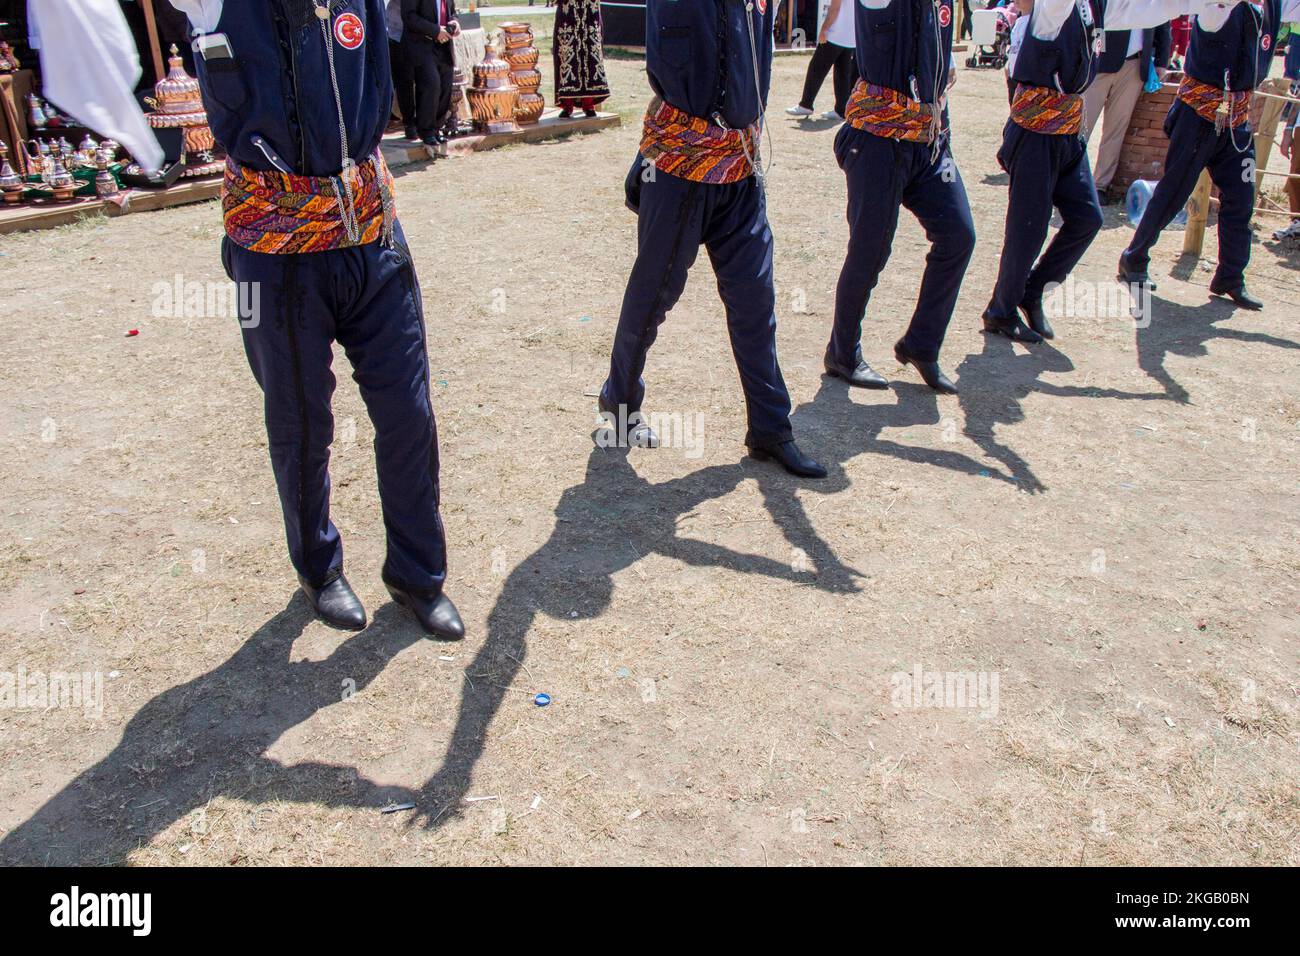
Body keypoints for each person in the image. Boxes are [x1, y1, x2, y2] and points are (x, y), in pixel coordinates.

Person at [168, 0, 464, 640]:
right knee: (301, 420)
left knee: (408, 410)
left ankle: (418, 575)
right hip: (276, 245)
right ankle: (318, 568)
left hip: (370, 231)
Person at [600, 0, 826, 479]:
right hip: (680, 165)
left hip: (740, 166)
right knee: (652, 297)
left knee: (754, 301)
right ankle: (618, 403)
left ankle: (770, 428)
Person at [983, 0, 1232, 345]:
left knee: (1087, 218)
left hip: (1068, 129)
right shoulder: (1055, 8)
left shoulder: (1096, 6)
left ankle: (1032, 290)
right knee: (1029, 227)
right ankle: (1001, 310)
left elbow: (1151, 11)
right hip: (1036, 131)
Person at [822, 0, 976, 395]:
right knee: (870, 250)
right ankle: (842, 352)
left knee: (958, 236)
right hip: (878, 141)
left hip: (928, 143)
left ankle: (921, 345)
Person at [1120, 0, 1300, 310]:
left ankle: (1230, 277)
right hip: (1197, 115)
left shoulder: (1275, 5)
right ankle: (1133, 259)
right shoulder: (1216, 5)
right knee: (1174, 191)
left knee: (1242, 199)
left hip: (1237, 119)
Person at [1083, 21, 1172, 205]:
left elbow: (1162, 21)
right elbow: (1096, 15)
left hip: (1134, 65)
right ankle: (1065, 181)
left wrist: (1162, 61)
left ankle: (1100, 185)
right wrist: (1097, 53)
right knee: (1081, 127)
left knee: (1116, 130)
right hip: (1099, 63)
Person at [785, 0, 858, 121]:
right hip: (851, 36)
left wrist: (824, 29)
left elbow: (835, 8)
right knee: (843, 74)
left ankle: (806, 104)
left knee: (816, 69)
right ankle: (841, 110)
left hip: (835, 34)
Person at [402, 0, 459, 146]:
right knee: (431, 85)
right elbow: (409, 16)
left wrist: (455, 22)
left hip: (444, 45)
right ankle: (426, 131)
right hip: (421, 45)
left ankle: (436, 129)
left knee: (446, 87)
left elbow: (451, 12)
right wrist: (435, 31)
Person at [550, 0, 611, 118]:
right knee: (567, 53)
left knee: (591, 55)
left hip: (589, 9)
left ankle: (588, 104)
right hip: (568, 10)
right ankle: (567, 104)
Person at [386, 0, 419, 140]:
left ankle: (426, 122)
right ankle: (409, 123)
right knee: (404, 82)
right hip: (397, 33)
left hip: (424, 33)